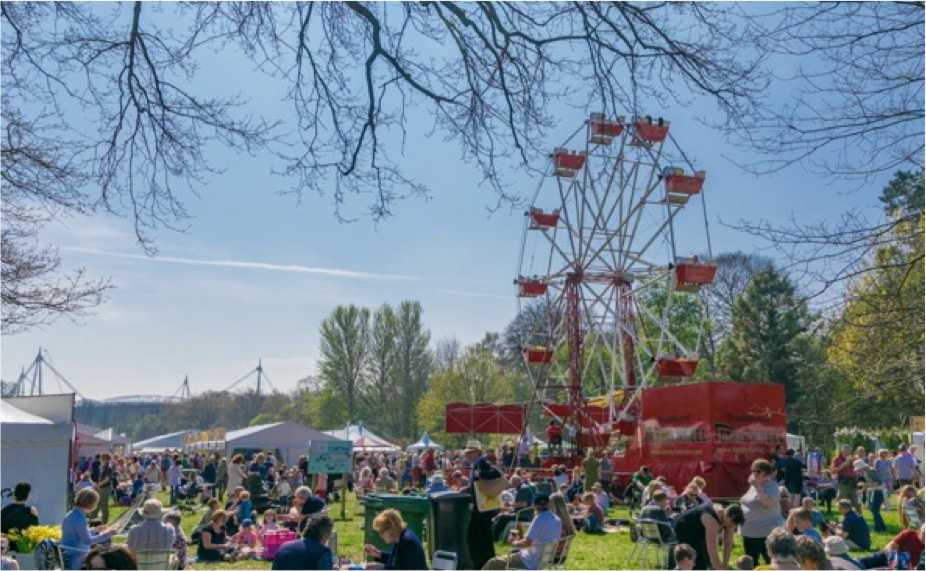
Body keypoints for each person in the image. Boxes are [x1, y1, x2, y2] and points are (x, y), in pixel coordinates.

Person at [483, 493, 561, 570]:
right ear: (548, 504)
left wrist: (514, 542)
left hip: (529, 561)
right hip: (544, 560)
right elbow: (536, 539)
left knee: (493, 562)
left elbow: (527, 543)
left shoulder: (539, 519)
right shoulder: (557, 519)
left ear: (535, 505)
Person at [465, 440, 505, 570]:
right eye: (467, 453)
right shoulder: (477, 465)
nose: (467, 455)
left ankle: (483, 564)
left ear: (476, 452)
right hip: (481, 509)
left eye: (470, 453)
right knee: (481, 537)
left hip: (483, 509)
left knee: (478, 537)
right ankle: (485, 563)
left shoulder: (482, 464)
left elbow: (496, 474)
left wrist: (480, 476)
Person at [673, 502, 743, 570]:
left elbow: (728, 542)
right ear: (728, 516)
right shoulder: (712, 520)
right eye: (731, 524)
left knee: (705, 561)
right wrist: (719, 568)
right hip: (684, 529)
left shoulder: (730, 520)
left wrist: (725, 564)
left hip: (700, 531)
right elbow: (712, 550)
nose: (732, 527)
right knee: (692, 560)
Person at [742, 459, 785, 566]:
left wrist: (758, 487)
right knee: (752, 565)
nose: (754, 473)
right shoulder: (753, 486)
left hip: (766, 534)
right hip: (749, 533)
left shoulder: (772, 486)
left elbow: (768, 503)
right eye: (752, 471)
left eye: (757, 471)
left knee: (772, 564)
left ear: (766, 473)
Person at [60, 489, 114, 570]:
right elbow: (88, 541)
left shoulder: (71, 514)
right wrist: (108, 534)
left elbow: (76, 533)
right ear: (91, 504)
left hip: (69, 553)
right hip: (77, 555)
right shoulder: (80, 518)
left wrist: (95, 530)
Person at [857, 525, 924, 570]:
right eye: (924, 534)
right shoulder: (909, 534)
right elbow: (889, 547)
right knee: (859, 563)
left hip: (904, 568)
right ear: (920, 531)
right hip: (888, 558)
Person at [492, 476, 534, 541]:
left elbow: (523, 504)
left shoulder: (523, 489)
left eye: (514, 482)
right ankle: (498, 536)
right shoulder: (520, 489)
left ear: (518, 481)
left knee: (503, 517)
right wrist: (508, 509)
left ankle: (495, 537)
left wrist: (509, 504)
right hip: (521, 513)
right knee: (500, 515)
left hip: (524, 515)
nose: (512, 483)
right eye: (512, 482)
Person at [831, 446, 859, 512]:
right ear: (842, 451)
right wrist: (844, 464)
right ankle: (845, 518)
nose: (847, 453)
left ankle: (859, 519)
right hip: (843, 482)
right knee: (844, 502)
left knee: (856, 502)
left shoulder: (853, 458)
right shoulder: (837, 459)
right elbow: (833, 471)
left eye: (849, 451)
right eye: (846, 451)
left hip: (853, 482)